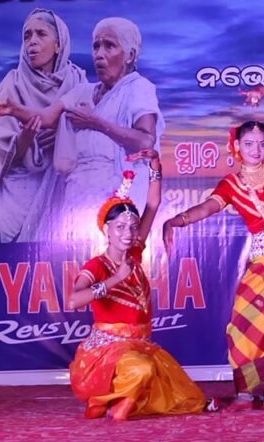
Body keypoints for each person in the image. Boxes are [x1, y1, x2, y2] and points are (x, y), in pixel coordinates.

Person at [162, 85, 264, 411]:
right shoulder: (231, 183)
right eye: (249, 143)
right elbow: (207, 207)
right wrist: (175, 221)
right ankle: (246, 394)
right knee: (247, 325)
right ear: (237, 146)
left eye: (262, 143)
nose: (256, 149)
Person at [0, 17, 162, 237]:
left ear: (130, 55)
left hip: (119, 206)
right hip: (77, 206)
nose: (99, 54)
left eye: (109, 46)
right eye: (96, 46)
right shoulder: (83, 92)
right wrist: (13, 109)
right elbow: (47, 118)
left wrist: (96, 123)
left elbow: (146, 142)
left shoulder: (139, 88)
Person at [67, 149, 207, 420]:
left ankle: (123, 398)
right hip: (108, 351)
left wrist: (154, 162)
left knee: (190, 398)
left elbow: (152, 204)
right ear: (106, 230)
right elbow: (73, 300)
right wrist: (116, 278)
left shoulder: (135, 253)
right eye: (120, 227)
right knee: (142, 370)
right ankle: (111, 399)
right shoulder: (97, 266)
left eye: (132, 227)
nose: (128, 233)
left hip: (140, 345)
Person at [0, 9, 85, 242]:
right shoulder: (12, 84)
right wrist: (26, 137)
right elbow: (5, 149)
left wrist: (62, 136)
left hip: (63, 195)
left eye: (41, 34)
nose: (32, 42)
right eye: (27, 36)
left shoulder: (76, 81)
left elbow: (89, 133)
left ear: (58, 44)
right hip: (19, 196)